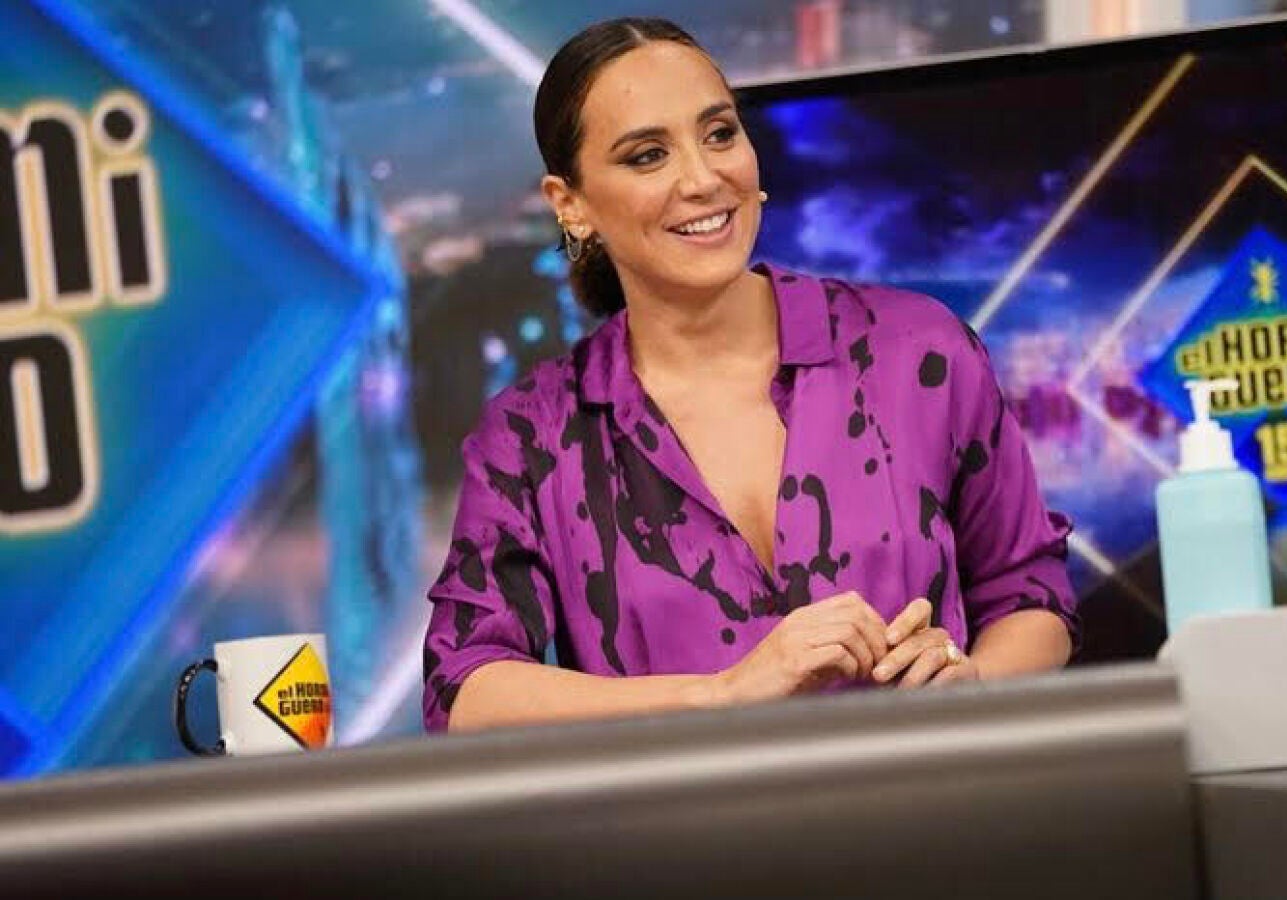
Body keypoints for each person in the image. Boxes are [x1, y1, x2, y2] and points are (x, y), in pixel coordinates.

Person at [422, 17, 1077, 734]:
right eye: (647, 156)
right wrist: (723, 693)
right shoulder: (533, 435)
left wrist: (972, 682)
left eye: (719, 133)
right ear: (570, 205)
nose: (704, 179)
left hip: (928, 798)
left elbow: (1030, 594)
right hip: (684, 810)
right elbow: (464, 690)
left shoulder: (919, 352)